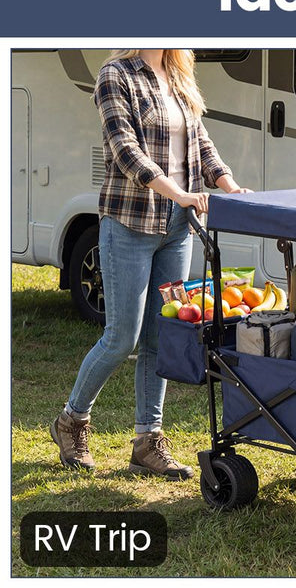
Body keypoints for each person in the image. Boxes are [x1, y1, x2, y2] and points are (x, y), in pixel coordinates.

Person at [51, 50, 249, 477]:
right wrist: (177, 193)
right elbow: (124, 150)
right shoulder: (115, 74)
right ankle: (71, 421)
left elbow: (200, 143)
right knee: (121, 337)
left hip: (179, 227)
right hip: (129, 223)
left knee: (162, 335)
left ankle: (147, 442)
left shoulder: (179, 74)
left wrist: (229, 187)